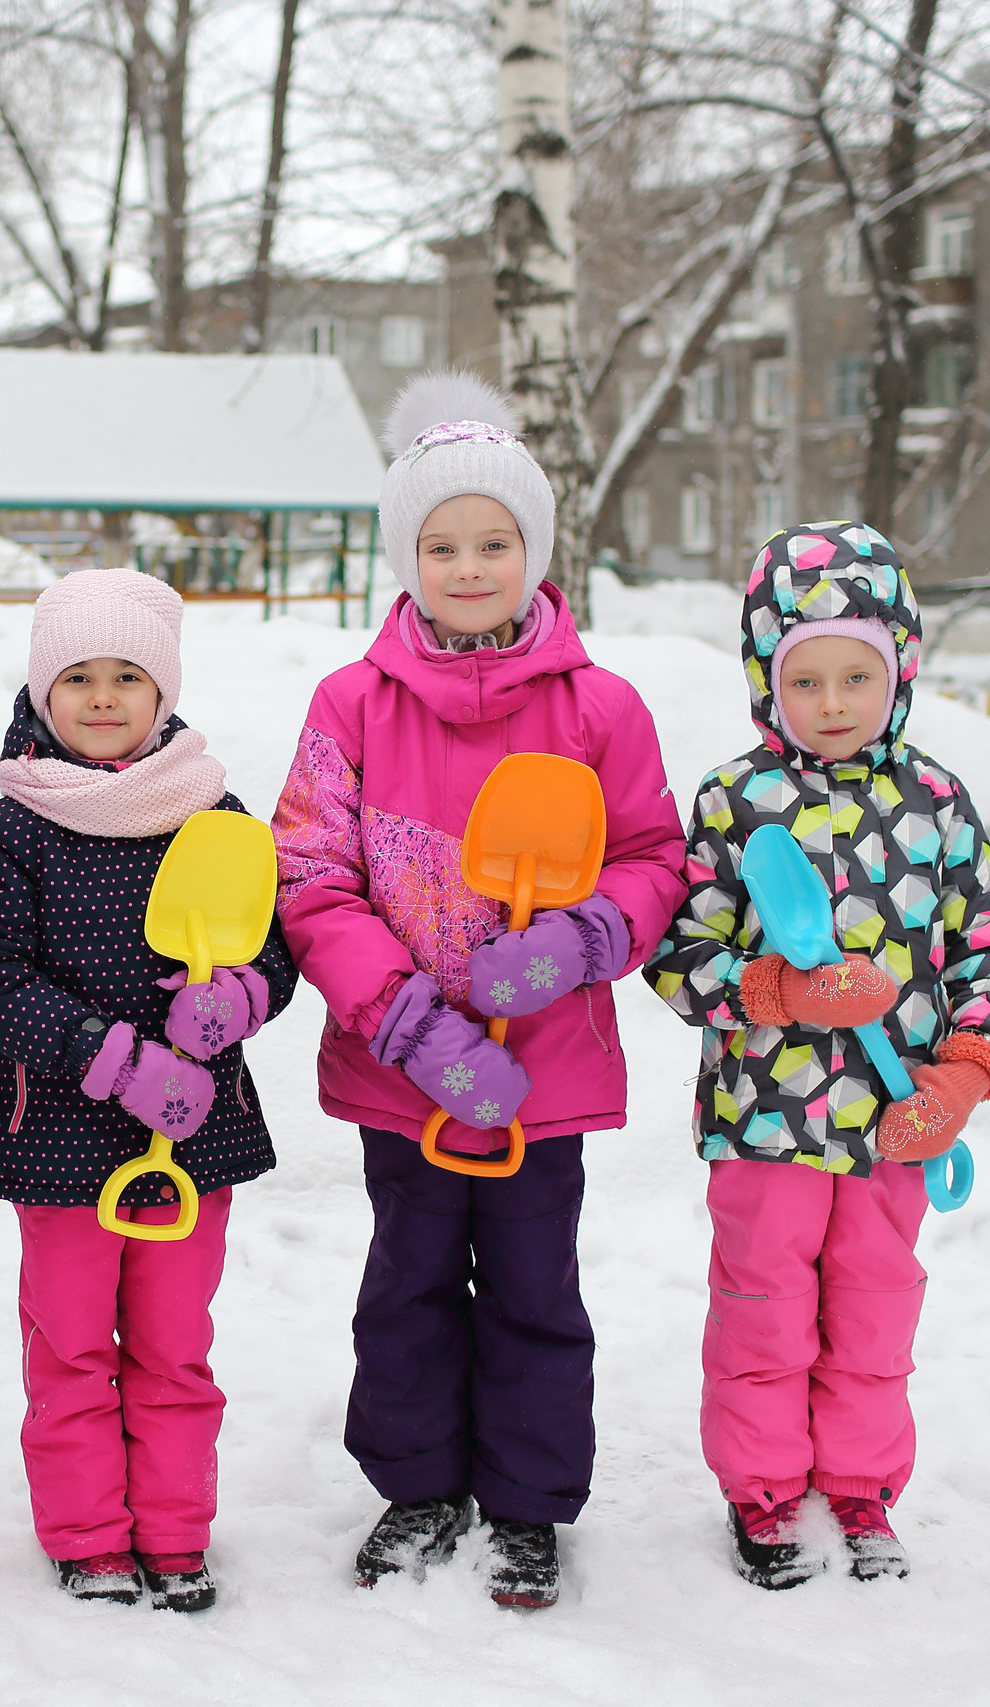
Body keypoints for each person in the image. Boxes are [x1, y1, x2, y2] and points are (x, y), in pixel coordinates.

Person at [271, 373, 685, 1609]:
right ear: (405, 557)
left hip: (541, 1071)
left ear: (534, 552)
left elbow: (656, 856)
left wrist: (584, 940)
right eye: (440, 544)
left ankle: (525, 1503)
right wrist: (404, 1019)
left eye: (493, 542)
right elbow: (311, 874)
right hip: (407, 1078)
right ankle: (413, 1484)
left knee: (530, 1284)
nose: (467, 565)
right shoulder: (350, 704)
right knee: (405, 1279)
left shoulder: (598, 708)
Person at [642, 519, 990, 1588]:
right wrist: (779, 987)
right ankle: (763, 1495)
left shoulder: (938, 806)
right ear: (767, 684)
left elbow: (989, 958)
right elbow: (676, 955)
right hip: (766, 1119)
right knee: (762, 1311)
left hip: (894, 1126)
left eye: (858, 676)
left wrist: (959, 1077)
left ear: (899, 673)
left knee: (873, 1309)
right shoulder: (735, 801)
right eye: (805, 682)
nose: (835, 704)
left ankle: (860, 1489)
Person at [0, 568, 296, 1613]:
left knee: (176, 1347)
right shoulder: (12, 830)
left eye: (127, 676)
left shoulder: (214, 817)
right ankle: (92, 1537)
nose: (102, 697)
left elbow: (272, 951)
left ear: (164, 691)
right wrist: (112, 1057)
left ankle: (177, 1533)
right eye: (78, 677)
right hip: (56, 1133)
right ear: (43, 694)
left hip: (193, 1140)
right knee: (71, 1344)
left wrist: (231, 1002)